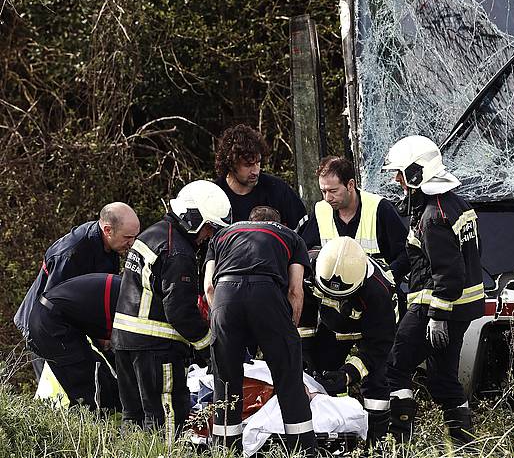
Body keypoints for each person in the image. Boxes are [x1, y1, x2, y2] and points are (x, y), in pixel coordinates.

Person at [381, 135, 485, 445]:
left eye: (400, 174)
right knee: (443, 380)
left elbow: (449, 273)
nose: (398, 181)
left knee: (395, 370)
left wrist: (437, 315)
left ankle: (399, 445)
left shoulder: (433, 216)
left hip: (434, 308)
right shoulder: (453, 203)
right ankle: (464, 446)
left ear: (416, 173)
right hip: (458, 309)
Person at [111, 180, 231, 442]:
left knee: (134, 419)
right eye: (209, 228)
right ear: (193, 218)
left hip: (125, 344)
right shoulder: (179, 251)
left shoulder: (152, 234)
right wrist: (208, 345)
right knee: (167, 420)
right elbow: (179, 311)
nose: (209, 236)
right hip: (156, 350)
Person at [204, 205, 316, 455]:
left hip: (224, 295)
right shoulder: (291, 237)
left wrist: (222, 323)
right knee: (289, 380)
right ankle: (302, 451)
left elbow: (209, 288)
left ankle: (224, 450)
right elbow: (296, 290)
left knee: (225, 381)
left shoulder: (222, 235)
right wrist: (287, 332)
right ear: (280, 223)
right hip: (267, 295)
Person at [14, 202, 140, 375]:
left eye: (134, 237)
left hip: (74, 321)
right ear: (108, 230)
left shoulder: (110, 246)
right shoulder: (71, 254)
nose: (131, 243)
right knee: (55, 389)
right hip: (41, 326)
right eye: (127, 237)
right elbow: (50, 307)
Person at [300, 236, 395, 445]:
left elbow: (378, 345)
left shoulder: (377, 292)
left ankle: (376, 442)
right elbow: (304, 311)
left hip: (372, 330)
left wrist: (348, 374)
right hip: (334, 326)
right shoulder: (309, 268)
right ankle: (337, 437)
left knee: (376, 384)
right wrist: (305, 351)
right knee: (324, 373)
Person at [298, 155, 409, 284]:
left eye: (333, 191)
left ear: (350, 185)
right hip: (333, 295)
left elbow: (405, 255)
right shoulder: (320, 211)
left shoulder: (379, 208)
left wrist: (385, 279)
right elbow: (304, 254)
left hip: (375, 296)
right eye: (323, 191)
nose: (328, 198)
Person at [28, 272, 122, 410]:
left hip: (55, 316)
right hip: (50, 321)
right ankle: (90, 423)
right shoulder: (129, 299)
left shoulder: (126, 288)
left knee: (100, 374)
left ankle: (107, 414)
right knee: (86, 384)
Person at [214, 124, 307, 229]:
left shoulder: (277, 190)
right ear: (231, 164)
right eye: (248, 165)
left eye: (258, 163)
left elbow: (304, 234)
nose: (255, 171)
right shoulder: (213, 196)